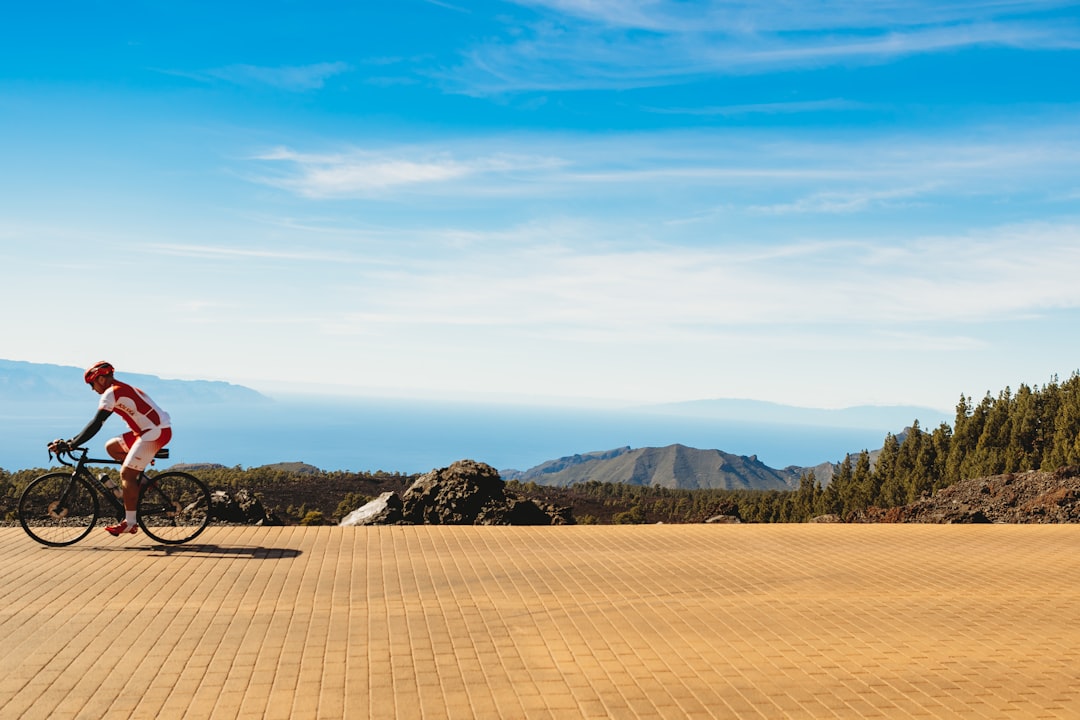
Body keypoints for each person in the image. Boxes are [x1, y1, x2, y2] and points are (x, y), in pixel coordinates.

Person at [49, 361, 172, 536]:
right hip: (147, 431)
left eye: (91, 384)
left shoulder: (111, 393)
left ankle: (130, 523)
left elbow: (96, 423)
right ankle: (143, 482)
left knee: (126, 475)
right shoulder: (119, 388)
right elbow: (95, 424)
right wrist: (71, 441)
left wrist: (72, 445)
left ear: (99, 379)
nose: (92, 389)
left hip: (154, 433)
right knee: (112, 447)